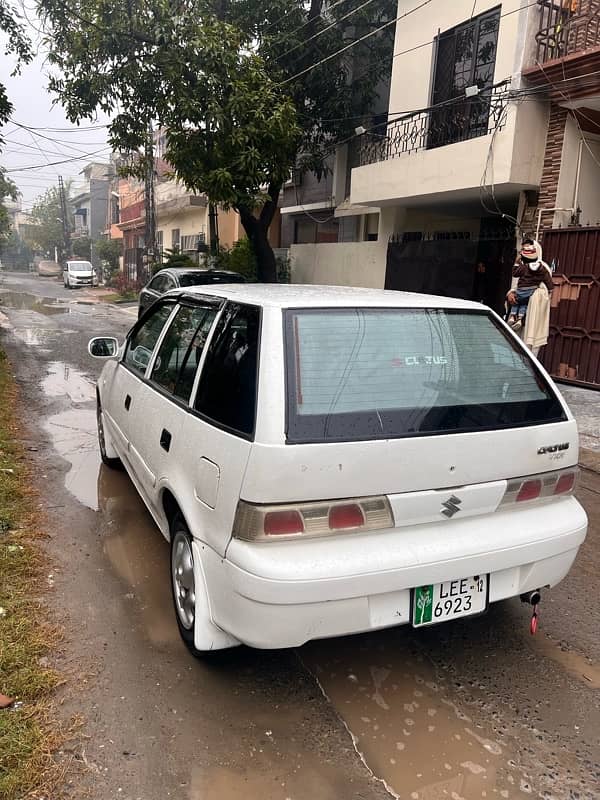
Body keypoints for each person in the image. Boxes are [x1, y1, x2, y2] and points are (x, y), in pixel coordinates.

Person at [507, 240, 553, 331]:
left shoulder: (544, 267)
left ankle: (516, 317)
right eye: (523, 249)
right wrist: (511, 293)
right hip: (525, 298)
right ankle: (516, 318)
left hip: (533, 310)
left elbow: (545, 290)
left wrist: (534, 295)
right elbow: (517, 284)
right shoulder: (526, 266)